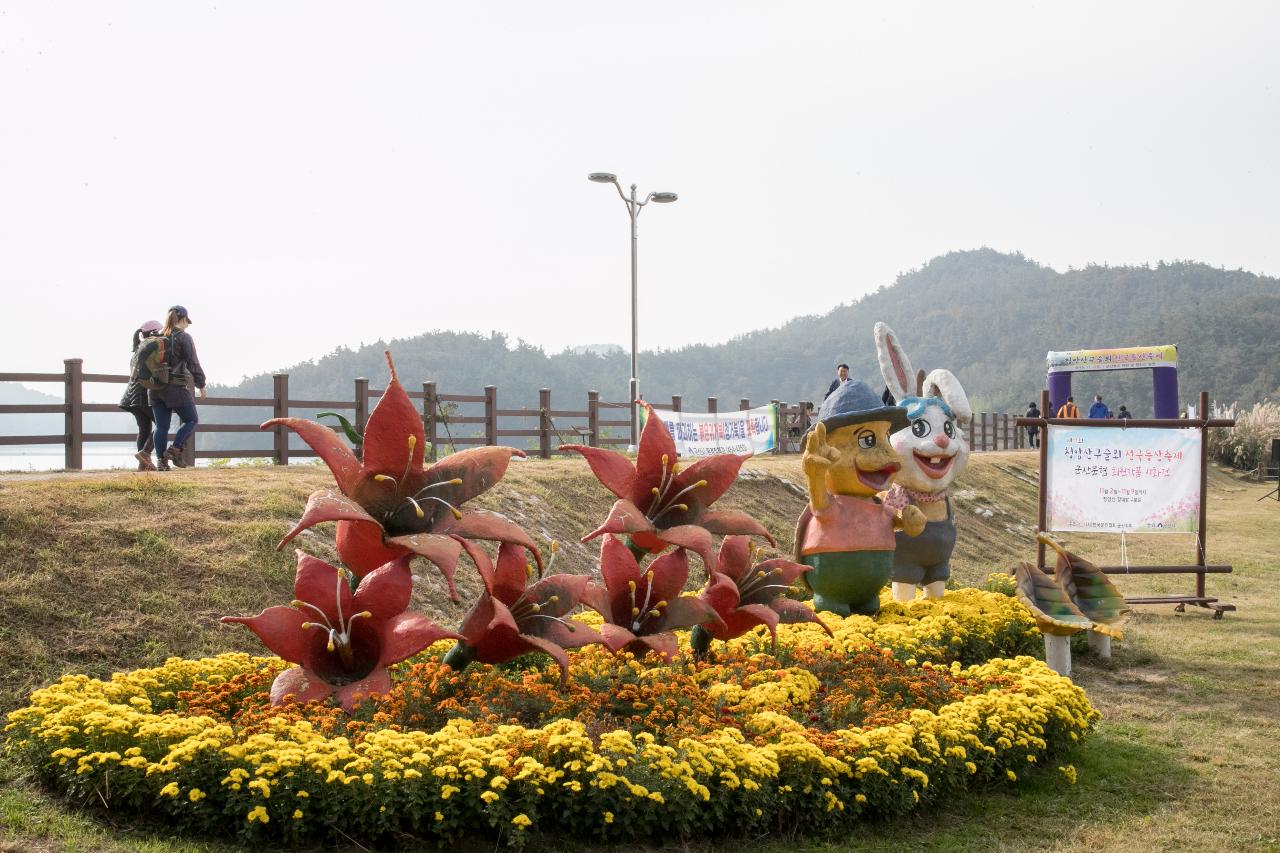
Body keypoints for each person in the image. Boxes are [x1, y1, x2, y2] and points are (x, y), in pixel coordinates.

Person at [150, 305, 207, 470]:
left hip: (154, 389)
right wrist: (201, 384)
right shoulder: (183, 337)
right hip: (174, 387)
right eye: (187, 321)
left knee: (161, 427)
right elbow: (193, 362)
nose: (187, 325)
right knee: (191, 419)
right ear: (182, 319)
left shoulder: (156, 336)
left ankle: (161, 462)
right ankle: (175, 449)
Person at [119, 320, 163, 471]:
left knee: (144, 429)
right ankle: (146, 454)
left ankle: (142, 464)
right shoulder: (151, 348)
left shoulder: (138, 349)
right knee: (162, 423)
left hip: (131, 396)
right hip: (144, 393)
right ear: (155, 332)